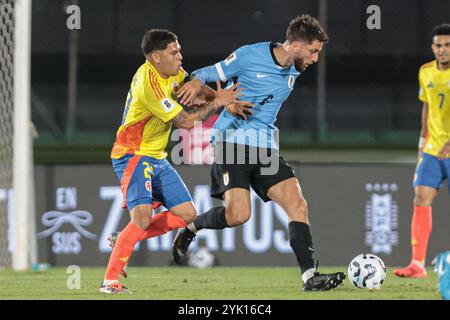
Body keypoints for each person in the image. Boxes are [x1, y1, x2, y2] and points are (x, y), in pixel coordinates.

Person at [172, 14, 346, 292]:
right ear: (296, 45)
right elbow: (204, 75)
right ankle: (191, 228)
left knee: (297, 204)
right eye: (313, 51)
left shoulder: (294, 67)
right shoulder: (250, 55)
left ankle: (310, 277)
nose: (315, 59)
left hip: (265, 146)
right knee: (238, 215)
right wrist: (205, 90)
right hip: (231, 143)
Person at [99, 29, 248, 294]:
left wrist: (222, 100)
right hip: (133, 153)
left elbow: (197, 90)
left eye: (179, 50)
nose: (180, 56)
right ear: (156, 57)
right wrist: (218, 104)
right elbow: (186, 122)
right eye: (174, 52)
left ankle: (123, 239)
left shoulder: (173, 73)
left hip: (156, 155)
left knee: (186, 214)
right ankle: (110, 282)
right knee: (142, 217)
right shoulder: (149, 84)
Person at [395, 23, 450, 279]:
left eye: (448, 45)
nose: (443, 49)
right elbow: (427, 109)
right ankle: (418, 264)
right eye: (439, 45)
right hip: (432, 150)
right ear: (432, 47)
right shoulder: (425, 71)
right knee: (420, 198)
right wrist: (421, 145)